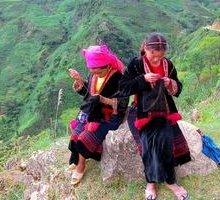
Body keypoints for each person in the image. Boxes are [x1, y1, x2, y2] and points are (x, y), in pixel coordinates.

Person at [119, 33, 191, 200]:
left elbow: (178, 87)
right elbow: (123, 88)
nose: (157, 60)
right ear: (145, 48)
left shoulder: (168, 65)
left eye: (161, 56)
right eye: (153, 55)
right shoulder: (136, 65)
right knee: (147, 143)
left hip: (164, 111)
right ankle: (150, 182)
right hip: (141, 112)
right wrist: (142, 79)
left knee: (165, 141)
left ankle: (171, 181)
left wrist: (170, 83)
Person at [68, 45, 129, 185]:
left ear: (107, 66)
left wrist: (102, 99)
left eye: (97, 70)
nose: (94, 73)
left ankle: (81, 166)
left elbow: (123, 103)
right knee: (77, 132)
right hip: (92, 112)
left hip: (108, 116)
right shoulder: (94, 74)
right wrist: (79, 82)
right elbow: (90, 94)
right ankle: (76, 157)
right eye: (91, 70)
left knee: (85, 136)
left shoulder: (119, 77)